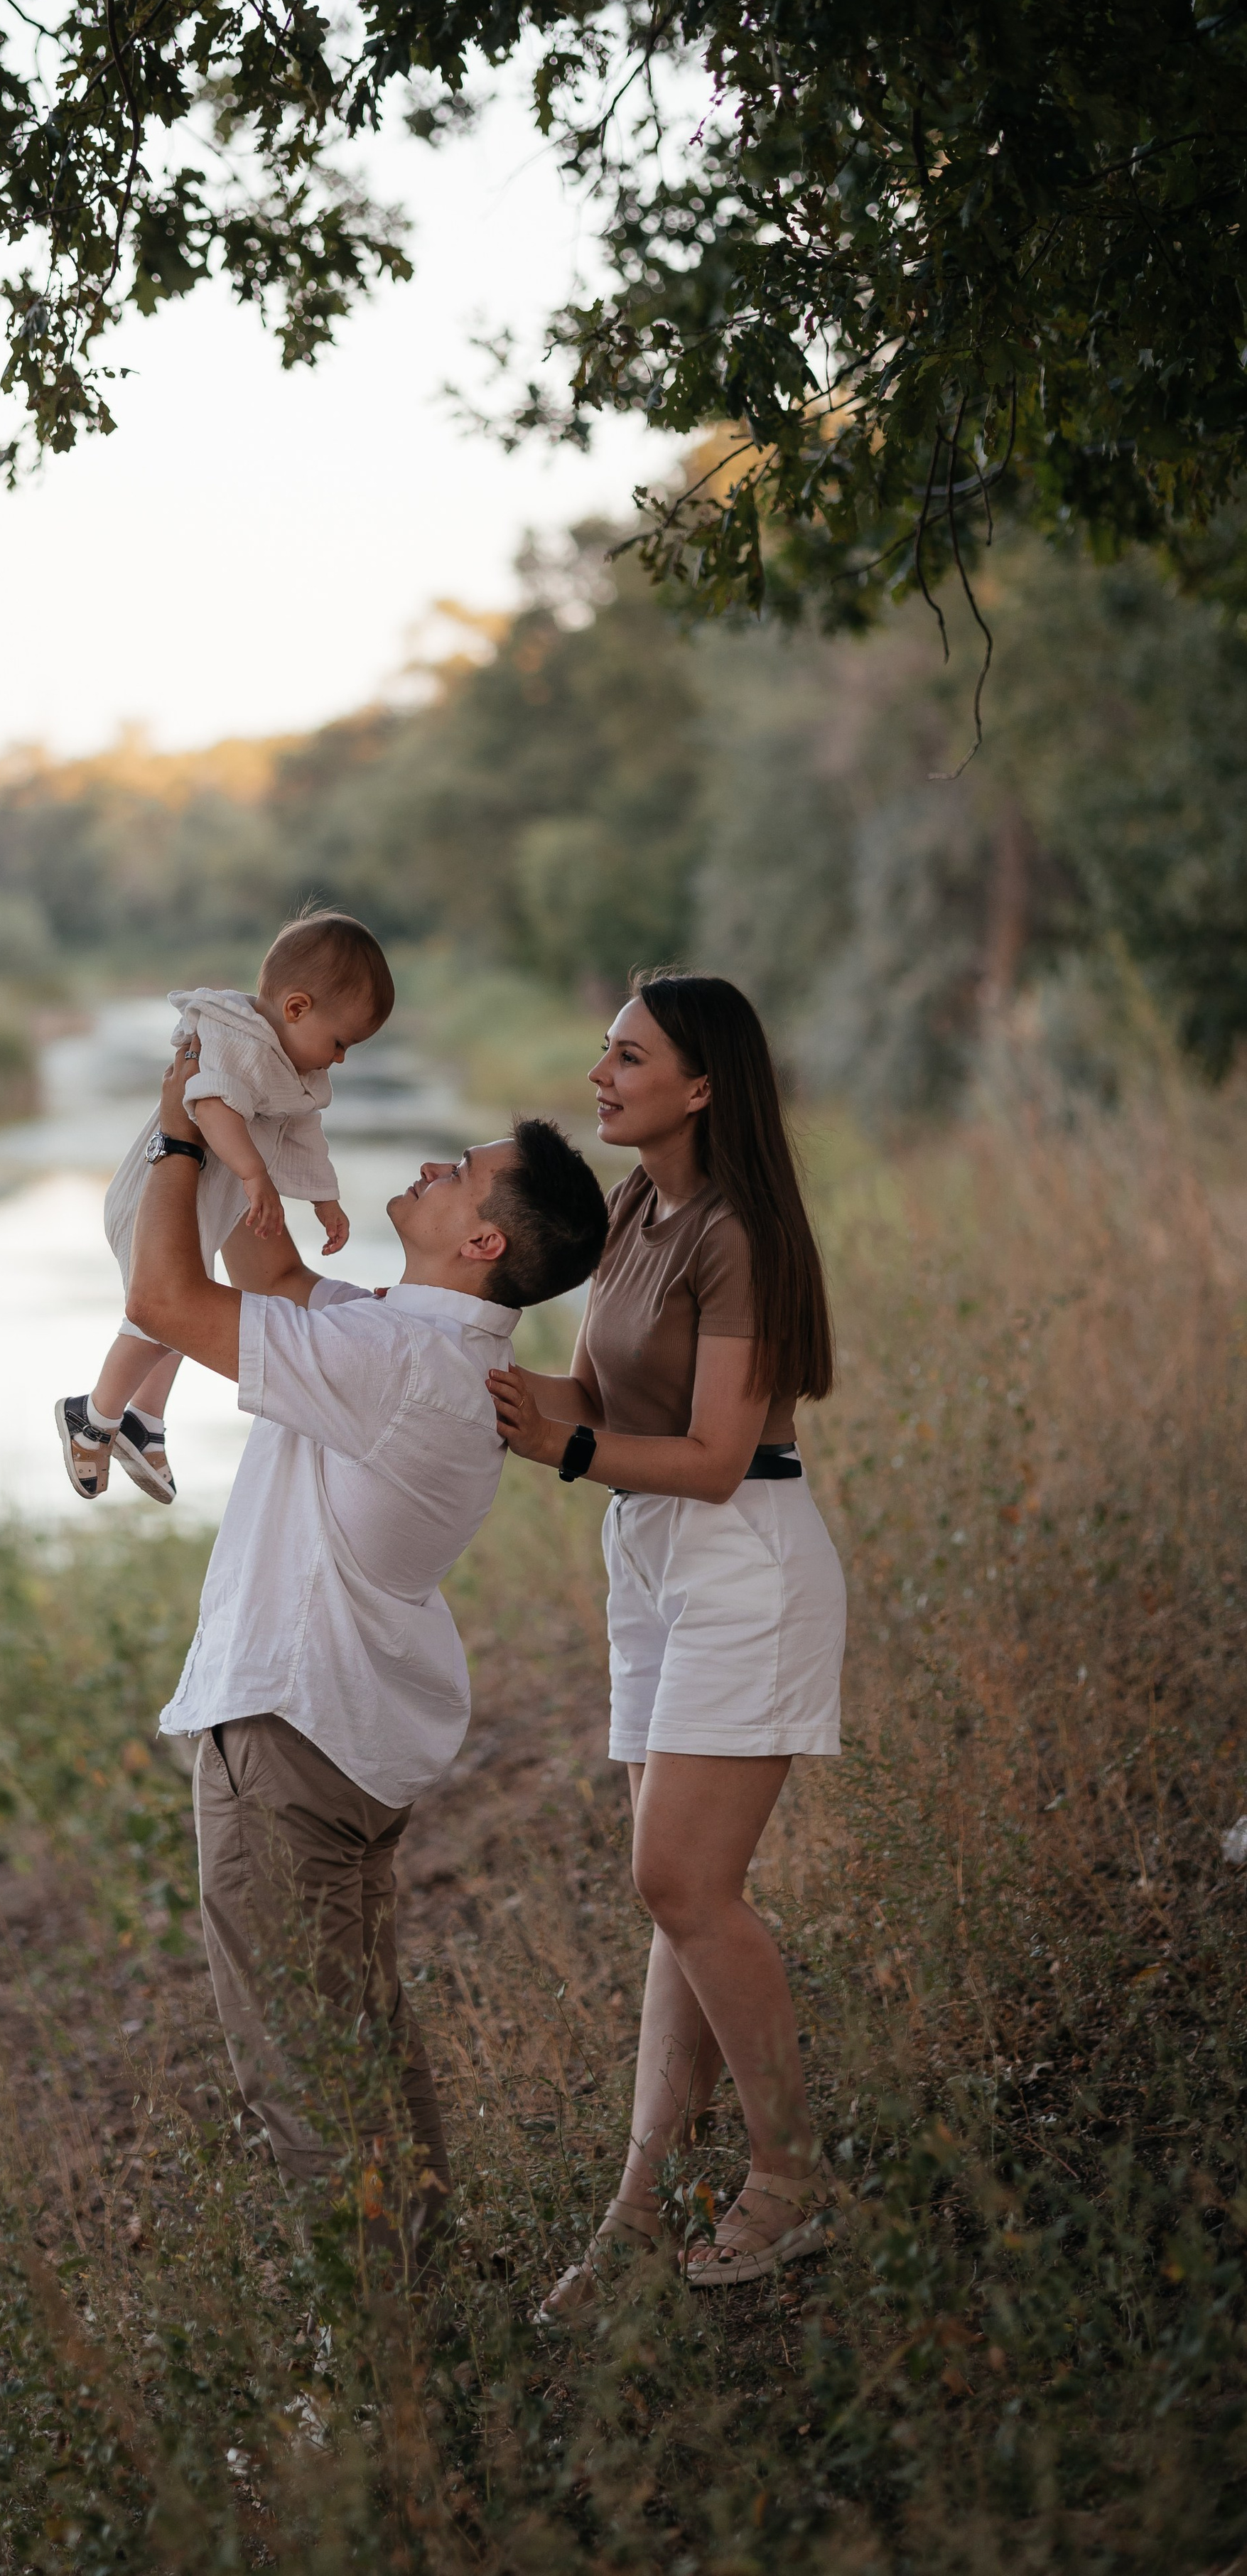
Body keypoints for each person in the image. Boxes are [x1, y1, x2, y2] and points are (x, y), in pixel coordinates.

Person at [125, 1045, 609, 2271]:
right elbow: (272, 1273)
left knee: (304, 2073)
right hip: (336, 1741)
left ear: (486, 1245)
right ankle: (428, 2312)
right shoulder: (421, 1344)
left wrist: (177, 1143)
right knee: (361, 2043)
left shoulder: (396, 1365)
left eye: (466, 1175)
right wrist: (252, 1129)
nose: (438, 1166)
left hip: (288, 1742)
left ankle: (373, 2377)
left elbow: (168, 1304)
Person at [486, 971, 846, 2312]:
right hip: (648, 1560)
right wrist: (461, 1371)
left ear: (701, 1087)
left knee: (684, 1885)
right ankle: (643, 2204)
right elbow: (595, 1389)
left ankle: (791, 2179)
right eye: (604, 1048)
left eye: (629, 1057)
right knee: (671, 1898)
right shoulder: (638, 1206)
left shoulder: (738, 1232)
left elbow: (713, 1451)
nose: (601, 1072)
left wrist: (568, 1446)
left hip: (741, 1557)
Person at [55, 911, 395, 1507]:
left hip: (202, 1204)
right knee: (163, 1312)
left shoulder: (294, 1069)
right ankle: (92, 1415)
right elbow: (207, 1106)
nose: (340, 1059)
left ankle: (145, 1421)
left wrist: (325, 1198)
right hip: (155, 1196)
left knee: (190, 1311)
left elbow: (305, 1134)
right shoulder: (238, 1040)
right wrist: (254, 1174)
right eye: (340, 1042)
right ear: (295, 1009)